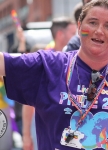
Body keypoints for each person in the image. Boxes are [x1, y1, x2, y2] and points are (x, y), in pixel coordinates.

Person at [1, 0, 108, 149]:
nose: (99, 30)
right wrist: (27, 135)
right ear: (79, 27)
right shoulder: (48, 66)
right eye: (92, 22)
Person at [22, 16, 76, 150]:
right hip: (45, 129)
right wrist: (26, 134)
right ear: (60, 34)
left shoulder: (79, 61)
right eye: (73, 33)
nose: (77, 36)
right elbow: (29, 101)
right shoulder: (43, 63)